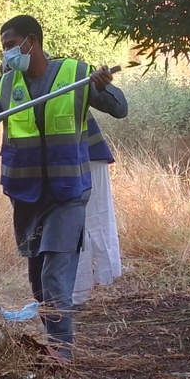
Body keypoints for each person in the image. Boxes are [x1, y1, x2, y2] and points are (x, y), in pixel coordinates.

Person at [0, 15, 128, 362]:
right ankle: (53, 344)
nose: (7, 55)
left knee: (54, 274)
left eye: (10, 46)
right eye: (4, 48)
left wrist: (103, 85)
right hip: (26, 195)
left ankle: (63, 353)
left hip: (67, 193)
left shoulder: (75, 75)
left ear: (31, 41)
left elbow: (120, 109)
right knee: (38, 280)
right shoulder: (5, 85)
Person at [72, 113, 122, 305]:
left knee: (93, 220)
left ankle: (79, 293)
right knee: (73, 225)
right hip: (60, 161)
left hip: (86, 154)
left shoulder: (70, 82)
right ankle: (76, 293)